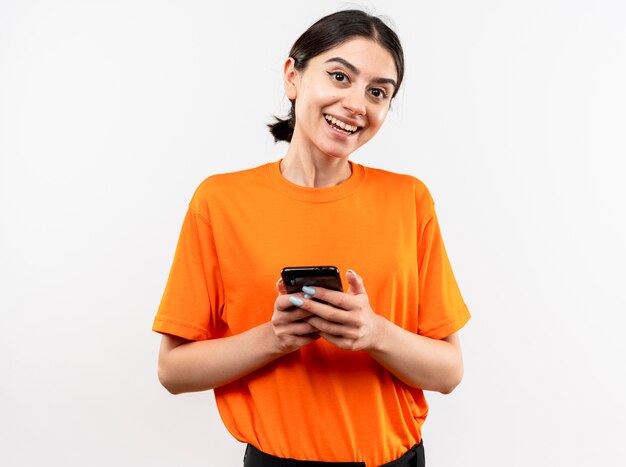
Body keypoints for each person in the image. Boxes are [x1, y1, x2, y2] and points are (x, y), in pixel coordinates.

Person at [153, 9, 470, 467]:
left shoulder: (410, 200)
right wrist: (276, 337)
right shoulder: (220, 201)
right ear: (292, 76)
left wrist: (374, 332)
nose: (357, 104)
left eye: (378, 92)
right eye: (340, 76)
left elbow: (449, 372)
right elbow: (173, 371)